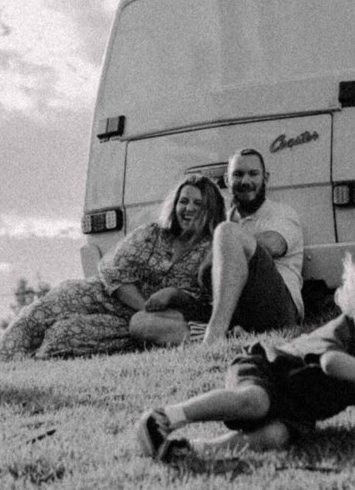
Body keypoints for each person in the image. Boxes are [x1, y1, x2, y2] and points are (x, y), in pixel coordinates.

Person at [135, 257, 355, 458]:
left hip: (296, 406)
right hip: (268, 370)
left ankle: (197, 450)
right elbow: (332, 364)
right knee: (255, 401)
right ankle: (166, 417)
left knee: (275, 436)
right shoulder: (341, 332)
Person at [0, 175, 226, 360]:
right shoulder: (153, 233)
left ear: (210, 209)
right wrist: (143, 305)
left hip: (140, 321)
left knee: (64, 335)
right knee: (41, 311)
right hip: (104, 295)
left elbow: (203, 303)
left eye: (198, 203)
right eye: (184, 201)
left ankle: (27, 362)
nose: (189, 208)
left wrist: (172, 296)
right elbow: (116, 272)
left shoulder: (212, 249)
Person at [129, 148, 304, 348]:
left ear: (266, 178)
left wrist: (221, 247)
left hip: (275, 310)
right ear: (227, 181)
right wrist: (176, 293)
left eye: (253, 174)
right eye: (238, 175)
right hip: (232, 312)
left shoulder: (281, 213)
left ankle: (213, 338)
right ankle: (232, 335)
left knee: (227, 232)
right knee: (140, 322)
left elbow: (275, 245)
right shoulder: (223, 219)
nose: (245, 181)